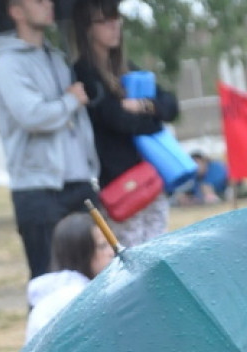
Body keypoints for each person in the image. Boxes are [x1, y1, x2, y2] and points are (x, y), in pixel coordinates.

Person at [0, 0, 100, 279]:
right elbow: (31, 116)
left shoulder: (57, 59)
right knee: (50, 281)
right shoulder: (8, 64)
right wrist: (70, 101)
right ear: (16, 11)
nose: (48, 4)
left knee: (97, 276)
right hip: (39, 189)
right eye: (38, 0)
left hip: (79, 182)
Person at [73, 0, 179, 246]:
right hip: (119, 182)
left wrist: (143, 106)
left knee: (159, 248)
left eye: (116, 18)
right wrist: (153, 118)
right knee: (131, 254)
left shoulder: (126, 68)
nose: (114, 26)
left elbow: (171, 105)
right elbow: (118, 120)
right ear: (88, 28)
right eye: (103, 21)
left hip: (150, 175)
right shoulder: (84, 72)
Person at [25, 211, 114, 342]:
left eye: (110, 244)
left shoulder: (64, 293)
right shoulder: (76, 298)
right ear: (82, 253)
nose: (111, 252)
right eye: (102, 246)